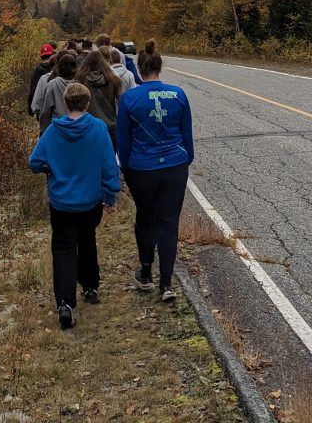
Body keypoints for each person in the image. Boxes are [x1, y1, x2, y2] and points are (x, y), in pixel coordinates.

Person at [29, 81, 120, 330]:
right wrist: (110, 196)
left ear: (65, 103)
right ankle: (90, 286)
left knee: (63, 248)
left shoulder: (53, 131)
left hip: (61, 203)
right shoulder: (98, 129)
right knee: (87, 239)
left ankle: (65, 303)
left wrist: (50, 168)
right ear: (87, 103)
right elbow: (108, 165)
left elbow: (34, 161)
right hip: (90, 201)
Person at [115, 39, 194, 303]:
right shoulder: (178, 95)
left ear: (139, 69)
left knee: (146, 218)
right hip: (174, 166)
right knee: (169, 223)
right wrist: (185, 160)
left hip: (142, 168)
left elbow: (123, 142)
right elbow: (187, 136)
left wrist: (126, 168)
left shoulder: (129, 99)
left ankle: (147, 271)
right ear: (160, 67)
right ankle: (167, 283)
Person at [76, 46, 123, 145]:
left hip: (87, 126)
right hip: (110, 126)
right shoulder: (113, 81)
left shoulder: (81, 81)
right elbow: (122, 103)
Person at [32, 51, 78, 131]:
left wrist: (44, 130)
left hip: (57, 128)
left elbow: (45, 111)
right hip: (76, 127)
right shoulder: (79, 85)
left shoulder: (52, 84)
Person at [28, 43, 56, 116]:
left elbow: (32, 91)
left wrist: (31, 109)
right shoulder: (56, 70)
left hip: (41, 110)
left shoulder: (36, 71)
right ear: (52, 55)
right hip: (54, 108)